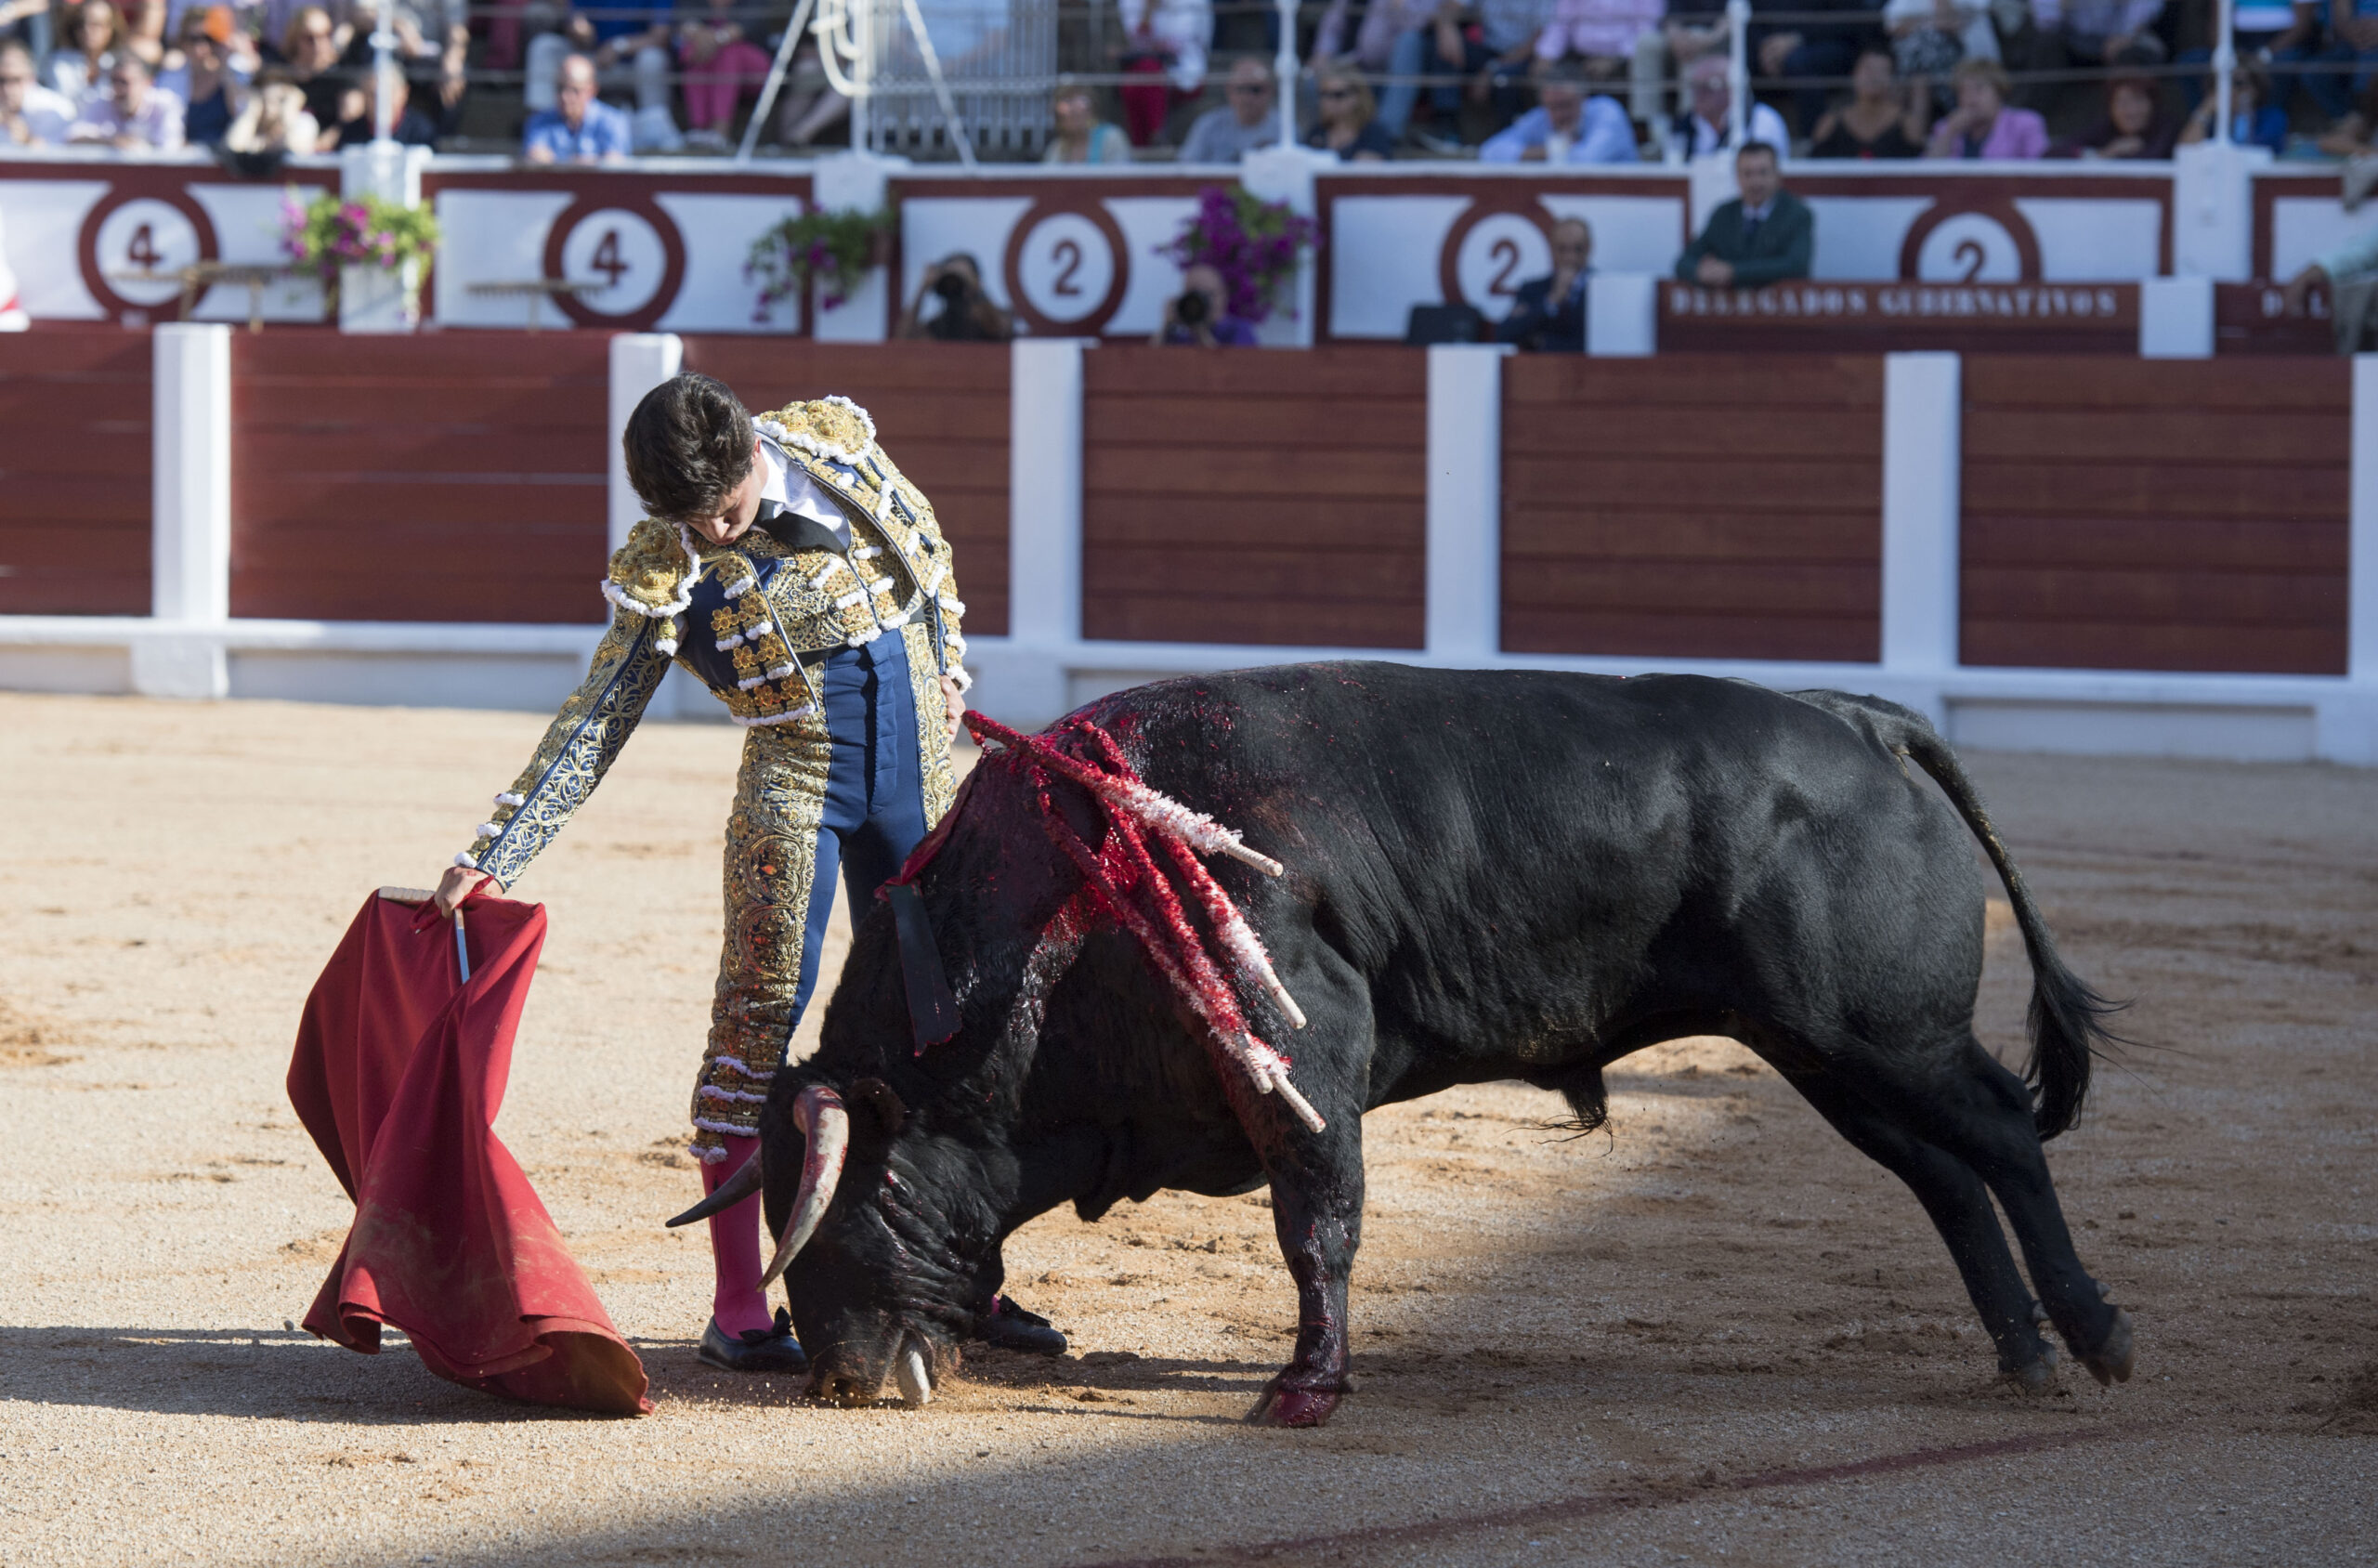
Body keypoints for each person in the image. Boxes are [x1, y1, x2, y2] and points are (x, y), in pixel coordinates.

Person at [427, 375, 1064, 1370]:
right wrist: (495, 848)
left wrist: (947, 664)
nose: (711, 537)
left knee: (955, 1026)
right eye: (686, 520)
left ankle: (967, 1284)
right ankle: (737, 1308)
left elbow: (925, 549)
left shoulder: (835, 451)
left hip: (919, 784)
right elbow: (599, 716)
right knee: (756, 1022)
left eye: (720, 510)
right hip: (795, 790)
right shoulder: (666, 566)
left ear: (751, 461)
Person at [1376, 0, 1549, 147]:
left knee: (1505, 78)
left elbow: (1541, 38)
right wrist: (1447, 27)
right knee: (1443, 45)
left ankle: (1508, 143)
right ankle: (1448, 128)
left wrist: (1494, 67)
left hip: (1528, 56)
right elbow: (1452, 6)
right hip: (1489, 51)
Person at [523, 0, 677, 151]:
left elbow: (660, 37)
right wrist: (580, 33)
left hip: (631, 63)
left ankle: (655, 132)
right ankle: (541, 128)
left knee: (653, 58)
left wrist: (619, 46)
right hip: (592, 59)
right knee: (544, 46)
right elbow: (579, 27)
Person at [1675, 138, 1811, 287]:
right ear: (1737, 177)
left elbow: (1796, 265)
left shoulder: (1797, 214)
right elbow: (1684, 262)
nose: (1755, 181)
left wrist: (1733, 272)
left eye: (1763, 172)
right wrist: (1701, 272)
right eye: (1748, 173)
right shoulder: (1724, 214)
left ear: (1777, 175)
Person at [1481, 59, 1639, 160]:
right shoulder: (1542, 117)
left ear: (1584, 98)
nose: (1559, 114)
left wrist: (1548, 151)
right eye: (1552, 106)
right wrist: (1550, 150)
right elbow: (1489, 152)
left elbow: (1587, 160)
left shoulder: (1607, 112)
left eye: (1565, 105)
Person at [675, 0, 770, 150]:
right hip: (706, 55)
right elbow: (685, 23)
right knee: (693, 52)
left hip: (754, 70)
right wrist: (702, 38)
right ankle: (699, 129)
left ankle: (720, 131)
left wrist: (716, 39)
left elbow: (744, 28)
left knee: (728, 52)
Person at [1808, 42, 1927, 156]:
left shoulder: (1908, 126)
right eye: (1867, 70)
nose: (1873, 77)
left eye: (1881, 71)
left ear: (1892, 80)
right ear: (1854, 74)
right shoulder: (1830, 124)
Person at [1497, 215, 1592, 351]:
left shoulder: (1605, 290)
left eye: (1578, 249)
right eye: (1562, 249)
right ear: (1552, 249)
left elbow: (1604, 342)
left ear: (1589, 248)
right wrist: (1551, 300)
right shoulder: (1532, 289)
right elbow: (1505, 334)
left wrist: (1544, 343)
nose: (1570, 257)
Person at [1924, 56, 2048, 156]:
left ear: (1999, 92)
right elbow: (1924, 176)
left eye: (1979, 89)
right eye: (1963, 91)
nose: (1970, 99)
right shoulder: (1945, 127)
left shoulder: (2026, 124)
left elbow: (2041, 172)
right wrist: (1949, 133)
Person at [1670, 52, 1790, 154]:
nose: (1699, 94)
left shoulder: (1763, 120)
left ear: (1732, 89)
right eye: (1695, 87)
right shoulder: (1683, 125)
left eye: (1708, 87)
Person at [523, 49, 630, 163]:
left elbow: (614, 164)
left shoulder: (614, 121)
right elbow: (535, 156)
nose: (565, 96)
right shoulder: (539, 122)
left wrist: (570, 164)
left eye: (575, 90)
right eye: (560, 88)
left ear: (592, 90)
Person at [1179, 55, 1282, 162]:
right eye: (1241, 89)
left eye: (1256, 90)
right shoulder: (1208, 126)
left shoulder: (1285, 130)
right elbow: (1188, 169)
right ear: (1229, 90)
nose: (1248, 97)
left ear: (1270, 91)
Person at [69, 51, 183, 146]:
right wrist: (111, 141)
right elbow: (72, 137)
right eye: (114, 81)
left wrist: (138, 147)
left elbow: (171, 149)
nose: (118, 88)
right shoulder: (102, 102)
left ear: (147, 83)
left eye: (124, 82)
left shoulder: (165, 105)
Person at [896, 253, 1014, 342]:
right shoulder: (940, 325)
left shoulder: (991, 314)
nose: (954, 284)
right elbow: (903, 338)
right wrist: (923, 288)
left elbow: (1000, 329)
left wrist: (978, 290)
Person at [2179, 60, 2289, 150]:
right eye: (2222, 84)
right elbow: (2186, 152)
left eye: (2239, 84)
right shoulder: (2211, 122)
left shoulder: (2273, 117)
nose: (2231, 90)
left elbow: (2248, 150)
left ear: (2256, 89)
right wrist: (2205, 110)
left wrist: (2243, 112)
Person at [2061, 72, 2177, 156]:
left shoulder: (2166, 126)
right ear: (2110, 107)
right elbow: (2057, 151)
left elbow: (2152, 158)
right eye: (2122, 103)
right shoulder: (2106, 126)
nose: (2131, 110)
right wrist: (2104, 152)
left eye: (2138, 100)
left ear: (2152, 103)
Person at [1152, 260, 1259, 345]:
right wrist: (1165, 326)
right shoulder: (1182, 337)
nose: (1200, 301)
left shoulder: (1239, 330)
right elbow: (1150, 365)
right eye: (1194, 293)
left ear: (1224, 295)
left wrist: (1201, 333)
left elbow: (1229, 368)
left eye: (1209, 294)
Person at [332, 61, 437, 145]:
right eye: (373, 95)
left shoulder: (422, 132)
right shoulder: (351, 133)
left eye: (387, 94)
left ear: (404, 93)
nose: (380, 103)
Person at [1307, 61, 1395, 159]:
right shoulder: (1316, 132)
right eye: (1324, 94)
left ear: (1357, 96)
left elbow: (1365, 170)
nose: (1329, 101)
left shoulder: (1373, 133)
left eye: (1338, 94)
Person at [222, 61, 317, 151]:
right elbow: (232, 148)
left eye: (279, 100)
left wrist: (288, 111)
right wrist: (251, 110)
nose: (269, 108)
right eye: (264, 100)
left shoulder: (304, 122)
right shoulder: (248, 126)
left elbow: (292, 147)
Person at [1, 36, 75, 143]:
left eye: (16, 80)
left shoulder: (58, 108)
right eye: (2, 80)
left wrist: (28, 140)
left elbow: (63, 152)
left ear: (32, 78)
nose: (7, 89)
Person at [45, 0, 122, 98]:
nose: (87, 29)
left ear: (111, 28)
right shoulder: (58, 63)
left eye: (96, 24)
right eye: (81, 23)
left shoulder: (120, 66)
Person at [1043, 77, 1131, 163]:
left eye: (1078, 101)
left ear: (1091, 110)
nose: (1072, 109)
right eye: (1066, 101)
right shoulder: (1056, 149)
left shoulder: (1112, 139)